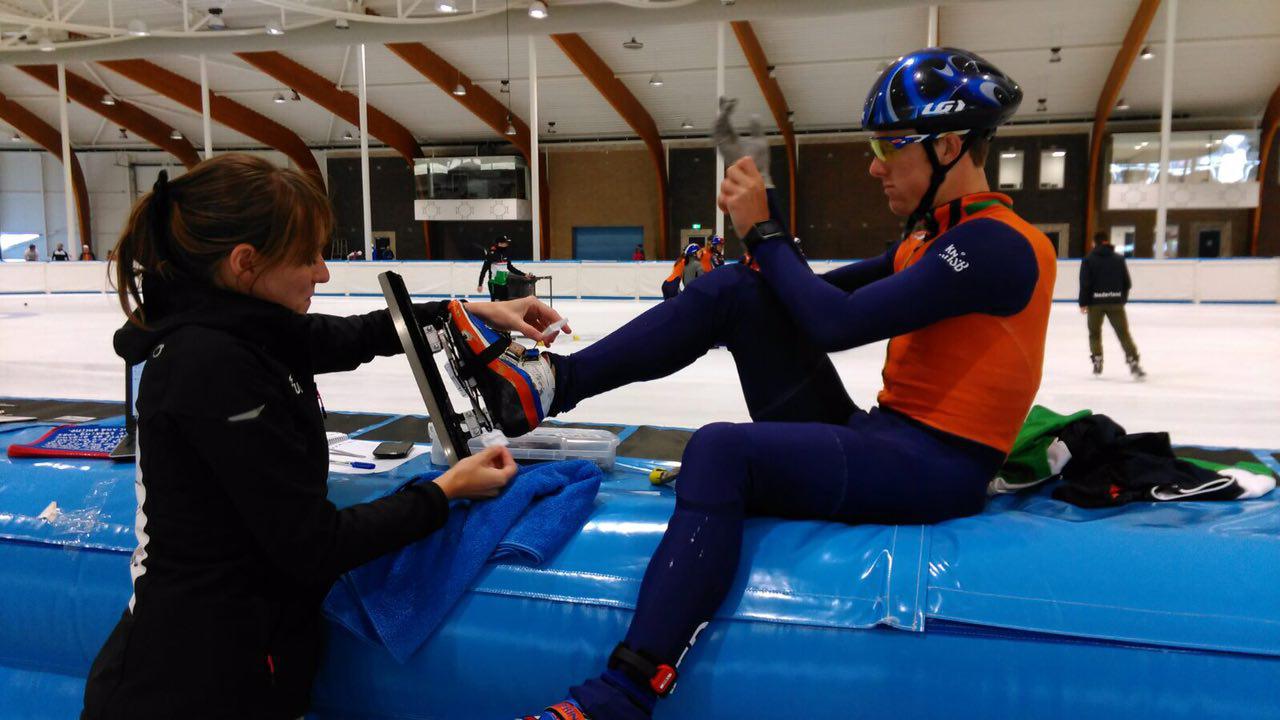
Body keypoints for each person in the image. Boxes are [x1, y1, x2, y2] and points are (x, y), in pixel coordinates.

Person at [434, 48, 1053, 720]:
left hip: (936, 469)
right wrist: (744, 257)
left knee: (721, 449)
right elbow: (802, 296)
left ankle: (625, 693)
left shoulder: (997, 243)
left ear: (949, 146)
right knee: (736, 291)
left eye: (888, 145)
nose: (874, 165)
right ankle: (552, 384)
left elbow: (834, 323)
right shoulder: (933, 237)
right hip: (888, 438)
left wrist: (763, 227)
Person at [82, 153, 568, 720]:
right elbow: (312, 547)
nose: (324, 273)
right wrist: (445, 491)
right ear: (245, 263)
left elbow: (350, 337)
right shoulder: (209, 364)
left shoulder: (246, 328)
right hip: (185, 688)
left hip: (242, 667)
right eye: (308, 257)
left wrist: (468, 312)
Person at [1080, 231, 1144, 378]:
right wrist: (1121, 299)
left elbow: (1085, 284)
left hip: (1095, 303)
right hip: (1116, 302)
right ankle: (1133, 360)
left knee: (1094, 333)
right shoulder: (1118, 259)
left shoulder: (1088, 260)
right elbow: (1127, 283)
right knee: (1123, 334)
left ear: (1095, 243)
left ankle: (1097, 359)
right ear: (1107, 241)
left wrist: (1083, 303)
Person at [478, 235, 533, 301]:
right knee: (496, 304)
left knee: (505, 303)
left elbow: (510, 268)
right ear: (499, 244)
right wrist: (480, 284)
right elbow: (484, 270)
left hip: (504, 284)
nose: (507, 244)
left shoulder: (506, 253)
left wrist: (524, 274)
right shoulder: (491, 254)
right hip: (494, 284)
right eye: (505, 243)